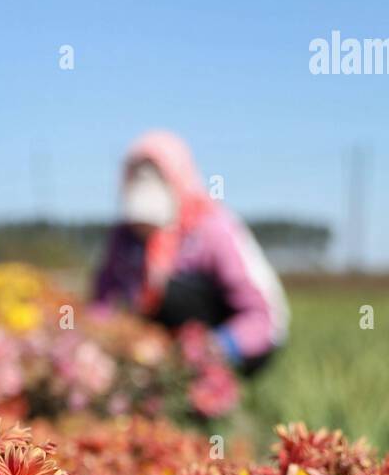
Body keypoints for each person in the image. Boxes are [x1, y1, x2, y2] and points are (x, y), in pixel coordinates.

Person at [94, 130, 289, 376]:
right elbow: (102, 302)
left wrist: (216, 347)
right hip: (161, 351)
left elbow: (264, 319)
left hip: (230, 344)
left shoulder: (213, 229)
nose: (143, 231)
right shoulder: (123, 238)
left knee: (177, 289)